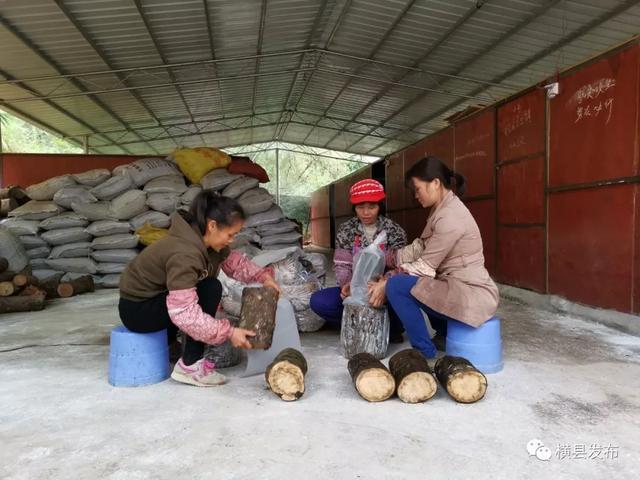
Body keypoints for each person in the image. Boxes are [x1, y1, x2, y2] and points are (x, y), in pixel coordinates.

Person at [118, 191, 280, 387]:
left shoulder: (205, 240)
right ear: (212, 225)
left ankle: (169, 344)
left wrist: (264, 278)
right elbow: (184, 312)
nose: (232, 240)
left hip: (156, 300)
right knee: (209, 289)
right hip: (137, 310)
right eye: (230, 234)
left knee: (205, 287)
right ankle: (190, 367)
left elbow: (234, 263)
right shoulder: (185, 253)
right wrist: (229, 332)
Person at [367, 156, 499, 358]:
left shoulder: (451, 217)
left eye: (417, 189)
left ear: (436, 183)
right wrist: (387, 258)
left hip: (471, 295)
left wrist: (388, 281)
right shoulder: (441, 209)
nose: (416, 196)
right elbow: (420, 247)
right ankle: (445, 333)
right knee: (413, 281)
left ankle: (425, 354)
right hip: (455, 287)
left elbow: (425, 266)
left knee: (398, 286)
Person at [309, 179, 407, 341]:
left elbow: (400, 268)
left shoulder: (394, 231)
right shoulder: (346, 230)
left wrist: (383, 286)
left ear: (380, 206)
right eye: (360, 207)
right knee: (319, 301)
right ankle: (359, 324)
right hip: (355, 288)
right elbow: (342, 265)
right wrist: (347, 286)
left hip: (382, 291)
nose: (366, 212)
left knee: (402, 305)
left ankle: (384, 326)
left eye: (372, 207)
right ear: (353, 207)